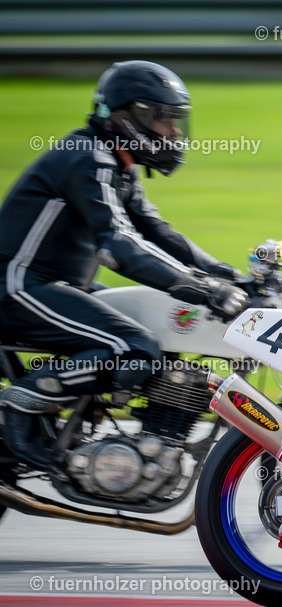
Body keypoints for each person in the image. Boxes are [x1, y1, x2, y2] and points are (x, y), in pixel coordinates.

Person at [0, 60, 249, 470]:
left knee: (158, 325)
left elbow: (158, 232)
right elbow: (119, 245)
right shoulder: (87, 157)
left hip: (57, 286)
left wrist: (227, 276)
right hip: (18, 288)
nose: (172, 131)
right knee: (133, 348)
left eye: (176, 120)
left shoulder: (117, 165)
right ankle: (22, 404)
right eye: (163, 118)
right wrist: (201, 289)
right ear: (127, 116)